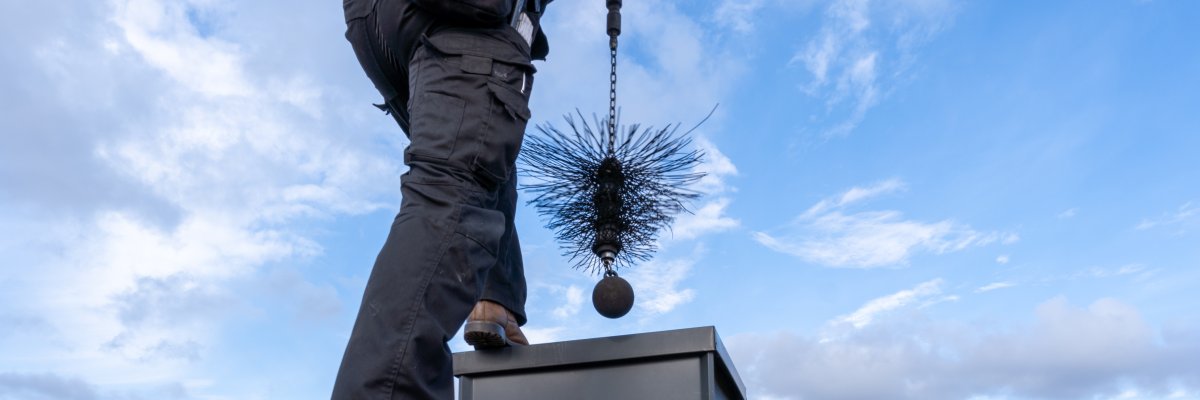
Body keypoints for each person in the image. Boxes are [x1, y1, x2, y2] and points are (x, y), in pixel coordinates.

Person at [333, 0, 551, 398]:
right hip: (463, 16)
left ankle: (494, 299)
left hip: (374, 20)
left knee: (476, 155)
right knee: (451, 196)